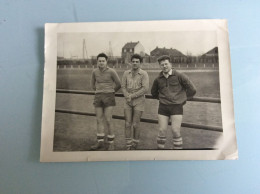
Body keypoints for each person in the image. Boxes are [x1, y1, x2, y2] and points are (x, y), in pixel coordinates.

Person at [151, 55, 196, 149]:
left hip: (176, 107)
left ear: (170, 64)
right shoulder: (158, 79)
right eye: (162, 64)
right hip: (163, 107)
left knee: (175, 131)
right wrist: (162, 98)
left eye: (166, 64)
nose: (164, 66)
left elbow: (192, 89)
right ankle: (159, 154)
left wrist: (182, 99)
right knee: (162, 130)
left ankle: (177, 154)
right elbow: (153, 93)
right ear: (159, 66)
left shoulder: (180, 75)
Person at [90, 53, 121, 151]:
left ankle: (111, 143)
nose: (101, 62)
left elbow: (119, 84)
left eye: (103, 61)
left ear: (106, 62)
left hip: (109, 96)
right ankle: (100, 142)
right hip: (98, 96)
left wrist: (111, 92)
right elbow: (92, 84)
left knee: (108, 120)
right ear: (97, 62)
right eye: (99, 61)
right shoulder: (94, 71)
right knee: (99, 120)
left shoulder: (112, 71)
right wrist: (99, 91)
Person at [121, 54, 149, 150]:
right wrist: (126, 96)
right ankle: (128, 145)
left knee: (136, 124)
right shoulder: (126, 73)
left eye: (137, 62)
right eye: (133, 61)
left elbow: (145, 88)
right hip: (127, 101)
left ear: (140, 63)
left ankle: (135, 144)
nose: (135, 63)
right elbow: (123, 86)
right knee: (127, 123)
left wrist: (132, 96)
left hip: (139, 101)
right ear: (131, 62)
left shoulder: (144, 74)